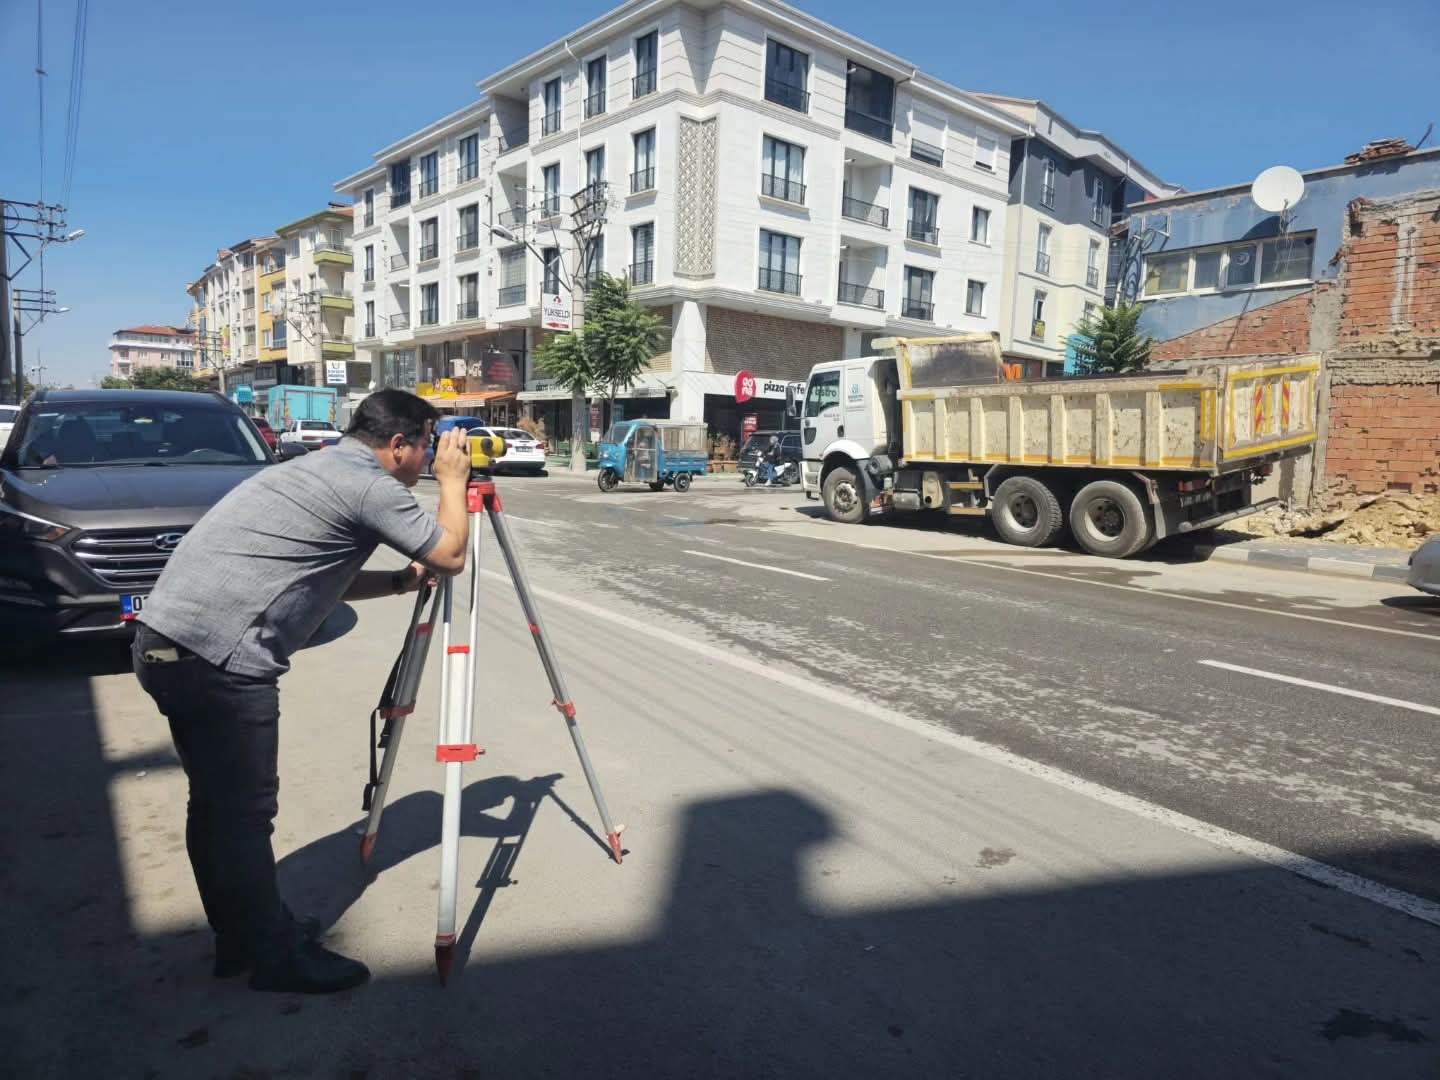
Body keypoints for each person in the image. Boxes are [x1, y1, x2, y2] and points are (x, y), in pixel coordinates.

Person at [132, 389, 473, 995]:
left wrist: (397, 581)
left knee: (216, 810)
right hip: (219, 661)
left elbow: (315, 576)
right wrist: (454, 480)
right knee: (240, 816)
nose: (429, 459)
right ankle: (273, 955)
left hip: (168, 645)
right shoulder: (370, 485)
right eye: (427, 446)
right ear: (398, 445)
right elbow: (450, 553)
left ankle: (242, 938)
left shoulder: (317, 467)